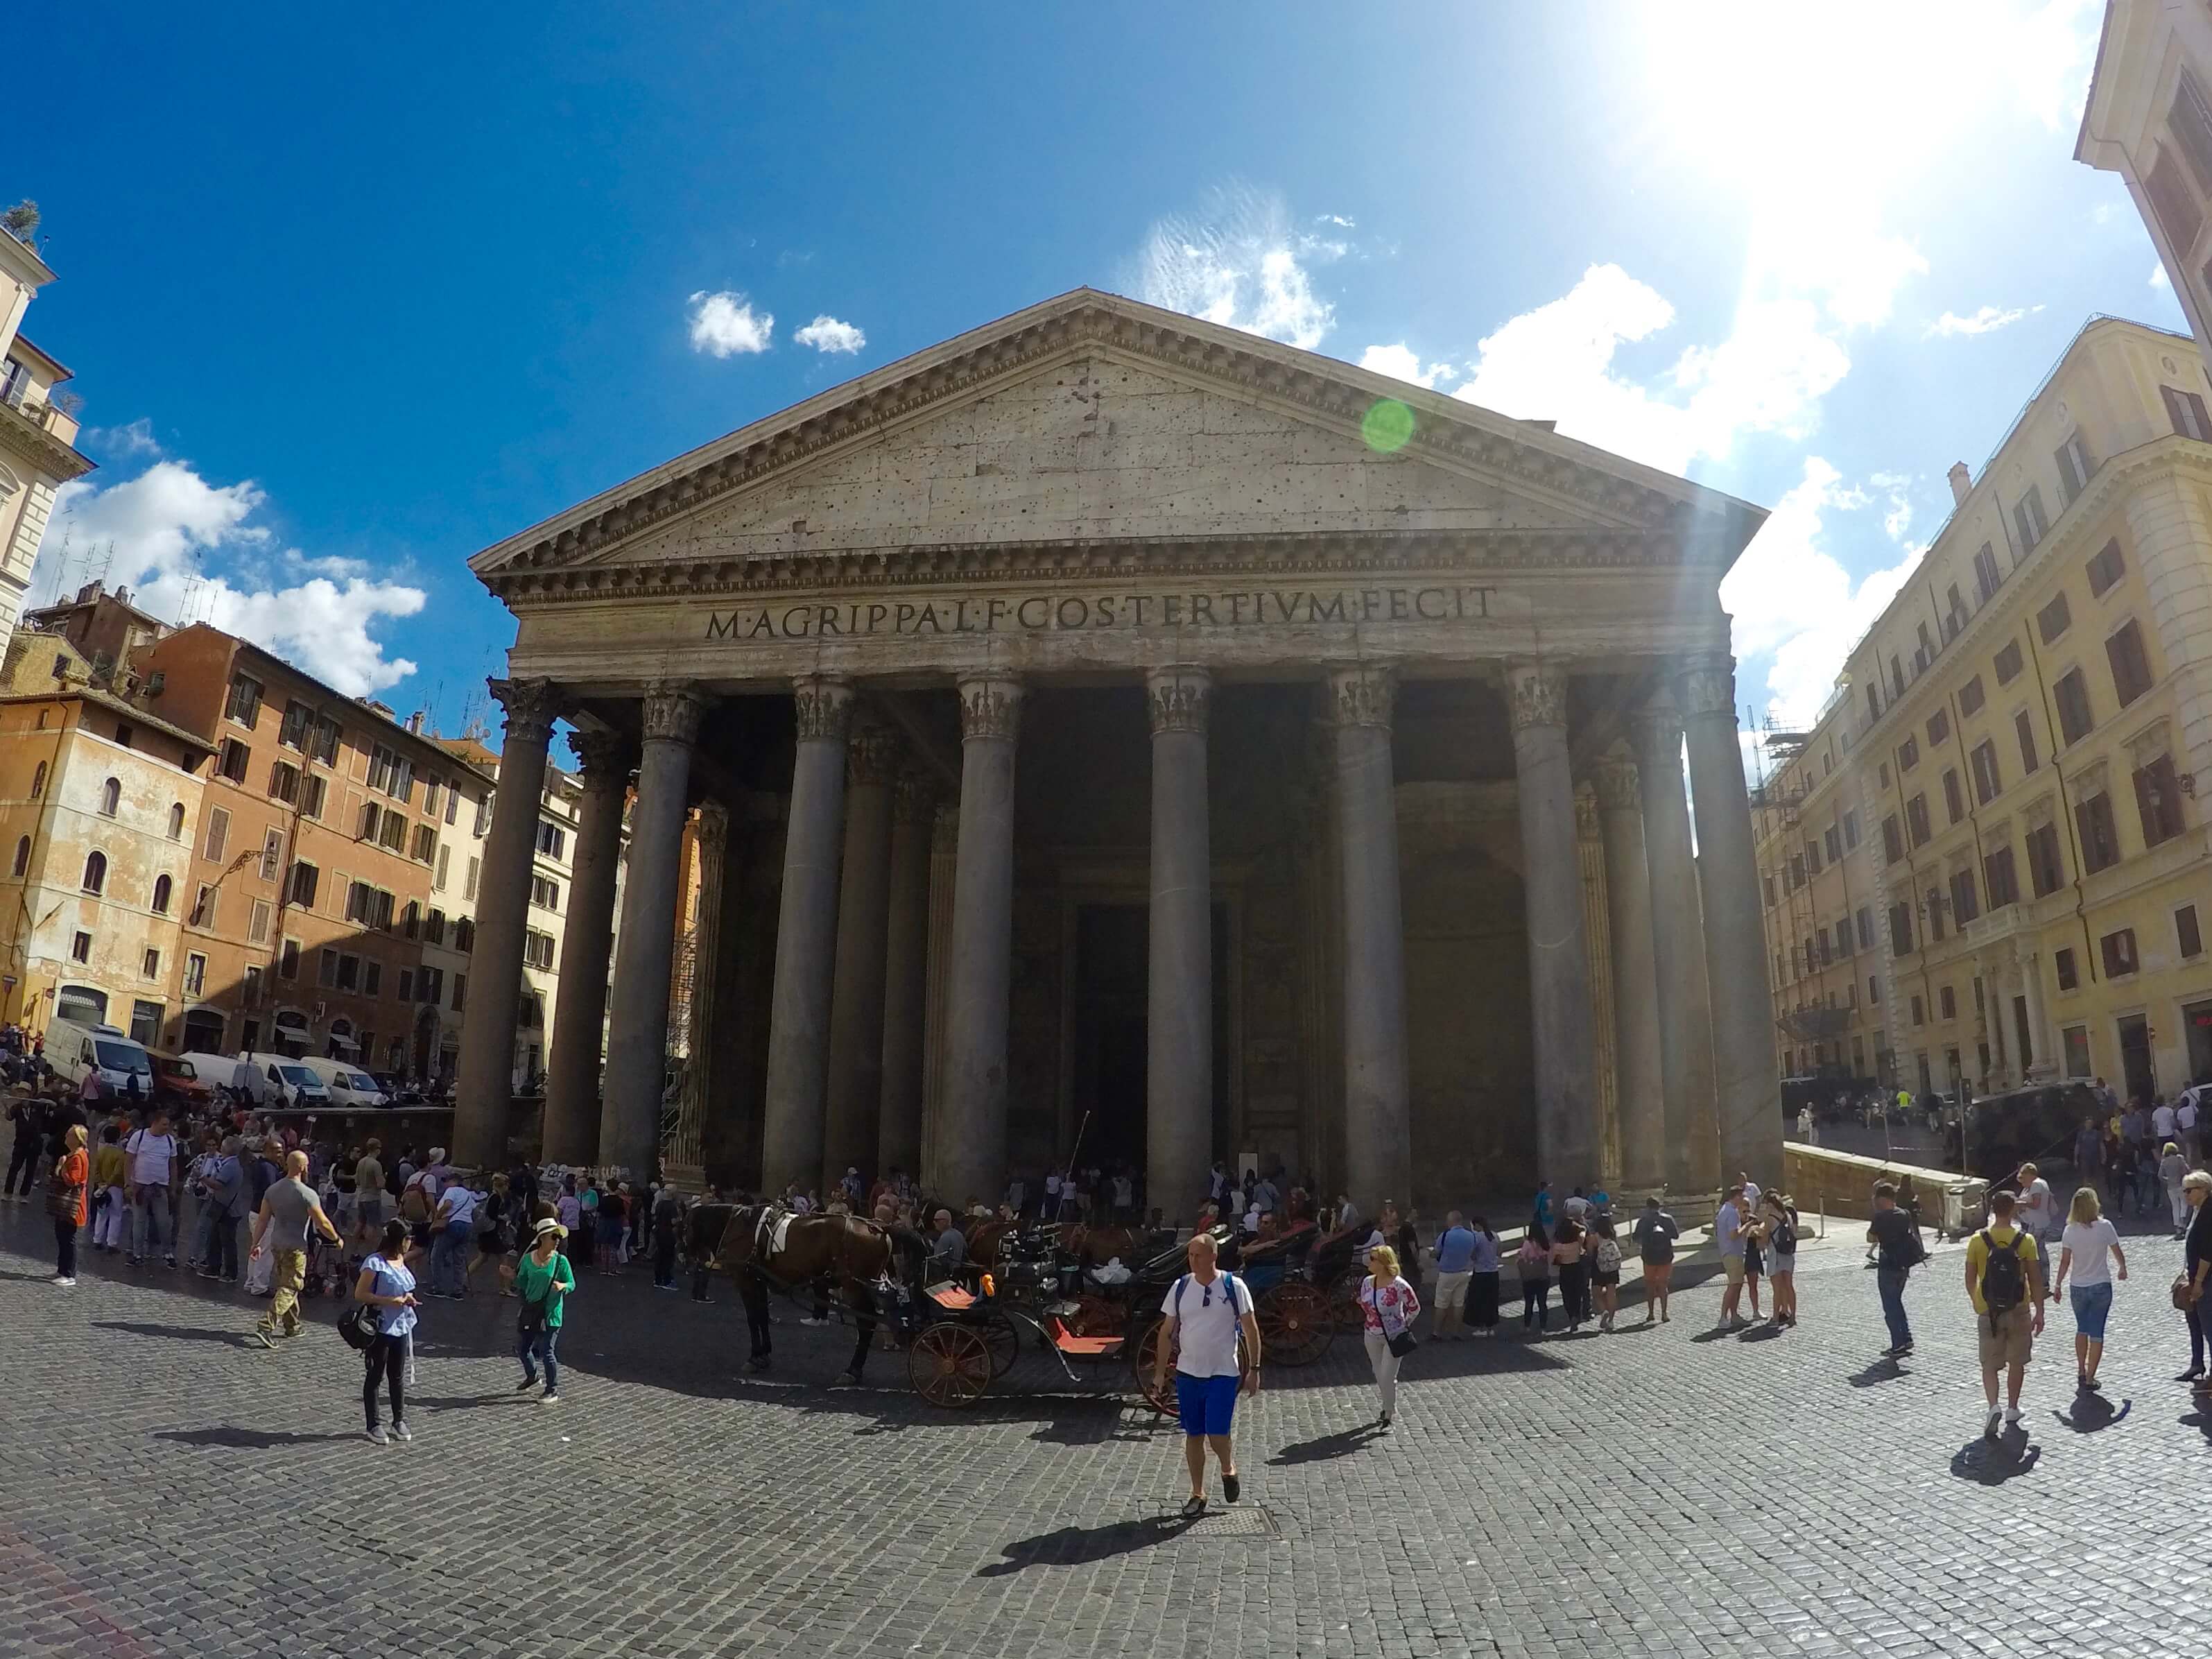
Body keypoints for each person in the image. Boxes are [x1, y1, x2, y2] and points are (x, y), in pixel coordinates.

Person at [1151, 1231, 1261, 1515]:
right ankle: (1198, 1493)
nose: (1192, 1260)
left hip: (1223, 1373)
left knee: (1217, 1432)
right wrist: (1160, 1374)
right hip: (1188, 1373)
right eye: (1190, 1255)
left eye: (1198, 1255)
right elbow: (1166, 1333)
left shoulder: (1234, 1287)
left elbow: (1250, 1329)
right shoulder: (1180, 1288)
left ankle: (1228, 1468)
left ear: (1213, 1256)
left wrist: (1255, 1369)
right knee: (1194, 1434)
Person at [1964, 1189, 2044, 1438]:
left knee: (1989, 1363)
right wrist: (2039, 1311)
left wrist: (1979, 1301)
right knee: (2017, 1361)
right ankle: (2012, 1407)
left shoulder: (1978, 1241)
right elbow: (2035, 1279)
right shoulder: (2026, 1241)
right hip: (2018, 1309)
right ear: (2012, 1210)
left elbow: (1969, 1278)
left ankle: (1993, 1406)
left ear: (1992, 1210)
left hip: (1989, 1311)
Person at [248, 1149, 345, 1348]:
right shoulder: (307, 1193)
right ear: (303, 1167)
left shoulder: (273, 1190)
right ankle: (266, 1326)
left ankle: (292, 1325)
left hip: (277, 1244)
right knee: (291, 1286)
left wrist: (255, 1243)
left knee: (288, 1283)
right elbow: (323, 1223)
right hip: (296, 1247)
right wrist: (336, 1239)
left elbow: (263, 1220)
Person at [2050, 1186, 2127, 1394]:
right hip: (2101, 1284)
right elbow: (2117, 1251)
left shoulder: (2070, 1231)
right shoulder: (2105, 1227)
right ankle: (2091, 1376)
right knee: (2097, 1332)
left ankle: (2081, 1369)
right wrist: (2122, 1268)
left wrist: (2057, 1284)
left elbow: (2065, 1262)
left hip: (2078, 1286)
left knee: (2082, 1328)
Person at [353, 1219, 420, 1445]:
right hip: (380, 1327)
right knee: (375, 1375)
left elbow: (403, 1288)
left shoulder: (401, 1260)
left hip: (401, 1326)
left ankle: (398, 1419)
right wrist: (389, 1301)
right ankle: (373, 1424)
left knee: (397, 1375)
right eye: (407, 1239)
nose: (410, 1243)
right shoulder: (374, 1263)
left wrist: (407, 1299)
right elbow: (360, 1294)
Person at [1358, 1242, 1421, 1428]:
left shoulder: (1399, 1285)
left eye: (1372, 1259)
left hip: (1393, 1336)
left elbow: (1414, 1308)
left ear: (1384, 1262)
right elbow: (1364, 1304)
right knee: (1378, 1373)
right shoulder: (1368, 1282)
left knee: (1387, 1375)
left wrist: (1403, 1325)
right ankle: (1388, 1406)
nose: (1368, 1262)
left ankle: (1388, 1412)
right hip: (1371, 1333)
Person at [515, 1217, 576, 1403]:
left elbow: (572, 1284)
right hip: (532, 1312)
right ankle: (532, 1376)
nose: (557, 1240)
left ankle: (552, 1389)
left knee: (546, 1350)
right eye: (553, 1236)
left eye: (559, 1237)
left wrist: (563, 1286)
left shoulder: (561, 1261)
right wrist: (512, 1277)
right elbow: (523, 1284)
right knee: (523, 1349)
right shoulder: (527, 1259)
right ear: (542, 1238)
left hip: (551, 1314)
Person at [1868, 1180, 1923, 1358]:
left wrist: (1876, 1216)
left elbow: (1870, 1238)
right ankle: (1906, 1337)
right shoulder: (1904, 1214)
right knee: (1897, 1301)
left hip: (1888, 1265)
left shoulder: (1881, 1217)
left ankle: (1898, 1343)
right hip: (1903, 1265)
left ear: (1882, 1199)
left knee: (1890, 1305)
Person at [123, 1108, 181, 1269]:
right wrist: (128, 1183)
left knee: (164, 1222)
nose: (167, 1128)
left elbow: (173, 1165)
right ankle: (137, 1254)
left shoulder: (170, 1141)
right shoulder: (139, 1137)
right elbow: (128, 1161)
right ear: (155, 1123)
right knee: (139, 1222)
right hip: (140, 1186)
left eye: (168, 1125)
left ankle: (167, 1253)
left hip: (160, 1187)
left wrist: (173, 1187)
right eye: (164, 1124)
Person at [2179, 1170, 2212, 1384]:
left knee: (2209, 1325)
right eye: (2184, 1191)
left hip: (2207, 1280)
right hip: (2194, 1276)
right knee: (2195, 1321)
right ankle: (2197, 1363)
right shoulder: (2197, 1210)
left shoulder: (2209, 1213)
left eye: (2189, 1191)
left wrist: (2198, 1282)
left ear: (2204, 1190)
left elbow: (2207, 1252)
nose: (2186, 1195)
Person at [48, 1122, 88, 1285]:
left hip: (73, 1205)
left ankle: (69, 1273)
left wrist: (62, 1166)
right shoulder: (74, 1155)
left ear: (77, 1139)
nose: (66, 1137)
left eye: (69, 1135)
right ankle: (62, 1269)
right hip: (64, 1205)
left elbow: (73, 1181)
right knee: (61, 1235)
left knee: (67, 1238)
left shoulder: (78, 1157)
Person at [1632, 1197, 1679, 1324]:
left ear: (1647, 1207)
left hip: (1649, 1256)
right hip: (1665, 1255)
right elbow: (1676, 1235)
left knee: (1650, 1285)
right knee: (1663, 1285)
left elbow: (1635, 1237)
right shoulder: (1668, 1219)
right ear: (1660, 1207)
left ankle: (1651, 1313)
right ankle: (1664, 1313)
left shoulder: (1644, 1220)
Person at [1431, 1211, 1476, 1339]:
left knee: (1441, 1303)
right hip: (1463, 1272)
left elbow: (1436, 1253)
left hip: (1447, 1273)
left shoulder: (1445, 1235)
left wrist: (1430, 1253)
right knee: (1458, 1303)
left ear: (1451, 1221)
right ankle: (1456, 1332)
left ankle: (1437, 1332)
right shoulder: (1471, 1236)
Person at [431, 1173, 478, 1297]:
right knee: (459, 1259)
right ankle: (457, 1290)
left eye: (446, 1181)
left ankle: (438, 1287)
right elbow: (474, 1208)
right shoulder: (467, 1194)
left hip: (452, 1224)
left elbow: (448, 1205)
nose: (445, 1184)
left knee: (437, 1256)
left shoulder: (452, 1191)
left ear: (453, 1181)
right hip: (467, 1225)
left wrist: (437, 1216)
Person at [1758, 1193, 1799, 1329]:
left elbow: (1763, 1242)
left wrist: (1758, 1234)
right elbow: (1793, 1232)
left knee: (1777, 1289)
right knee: (1789, 1286)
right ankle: (1792, 1317)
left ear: (1770, 1205)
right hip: (1788, 1254)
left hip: (1776, 1255)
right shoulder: (1788, 1216)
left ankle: (1776, 1317)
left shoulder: (1770, 1219)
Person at [89, 1122, 128, 1253]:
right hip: (115, 1187)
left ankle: (97, 1239)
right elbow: (117, 1173)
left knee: (101, 1213)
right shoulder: (120, 1154)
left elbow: (95, 1170)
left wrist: (100, 1183)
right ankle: (112, 1242)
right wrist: (109, 1184)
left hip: (101, 1186)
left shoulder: (101, 1152)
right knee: (116, 1215)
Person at [1715, 1183, 1748, 1327]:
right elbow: (1734, 1235)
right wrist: (1746, 1226)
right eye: (1741, 1196)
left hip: (1729, 1252)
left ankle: (1734, 1315)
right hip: (1732, 1252)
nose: (1743, 1199)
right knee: (1734, 1285)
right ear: (1736, 1197)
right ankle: (1723, 1317)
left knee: (1738, 1284)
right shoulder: (1732, 1213)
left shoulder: (1724, 1210)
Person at [1550, 1214, 1589, 1332]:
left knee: (1567, 1295)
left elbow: (1554, 1260)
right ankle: (1577, 1315)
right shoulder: (1578, 1243)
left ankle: (1571, 1315)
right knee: (1577, 1294)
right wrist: (1579, 1226)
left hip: (1565, 1270)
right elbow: (1584, 1230)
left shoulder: (1558, 1246)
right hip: (1577, 1268)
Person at [1466, 1215, 1501, 1336]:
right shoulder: (1495, 1236)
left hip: (1481, 1272)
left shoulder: (1477, 1237)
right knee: (1491, 1300)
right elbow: (1499, 1252)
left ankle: (1481, 1327)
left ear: (1477, 1225)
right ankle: (1490, 1327)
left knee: (1479, 1301)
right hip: (1493, 1272)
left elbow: (1473, 1254)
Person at [1589, 1214, 1623, 1332]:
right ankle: (1611, 1321)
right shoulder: (1613, 1235)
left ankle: (1603, 1311)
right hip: (1612, 1267)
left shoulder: (1595, 1237)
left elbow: (1589, 1252)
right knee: (1611, 1292)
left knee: (1596, 1292)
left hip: (1598, 1267)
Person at [1517, 1223, 1552, 1332]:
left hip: (1530, 1277)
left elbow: (1522, 1256)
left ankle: (1527, 1326)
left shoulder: (1528, 1243)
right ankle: (1543, 1327)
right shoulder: (1546, 1244)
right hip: (1543, 1276)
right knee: (1542, 1303)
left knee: (1529, 1303)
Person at [354, 1140, 386, 1245]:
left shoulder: (361, 1162)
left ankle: (354, 1251)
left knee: (360, 1223)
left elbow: (357, 1181)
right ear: (377, 1149)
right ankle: (369, 1253)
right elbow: (380, 1184)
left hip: (362, 1196)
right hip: (373, 1197)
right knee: (372, 1225)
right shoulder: (376, 1164)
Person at [927, 1207, 966, 1281]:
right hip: (959, 1275)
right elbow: (965, 1250)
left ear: (945, 1221)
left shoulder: (945, 1237)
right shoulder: (959, 1234)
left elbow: (937, 1261)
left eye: (936, 1220)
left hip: (947, 1276)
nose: (934, 1222)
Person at [2162, 1141, 2191, 1236]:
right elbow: (2186, 1170)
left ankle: (2177, 1225)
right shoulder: (2179, 1159)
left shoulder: (2164, 1161)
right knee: (2184, 1203)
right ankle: (2182, 1221)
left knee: (2175, 1206)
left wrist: (2167, 1181)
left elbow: (2160, 1175)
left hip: (2170, 1187)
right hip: (2180, 1185)